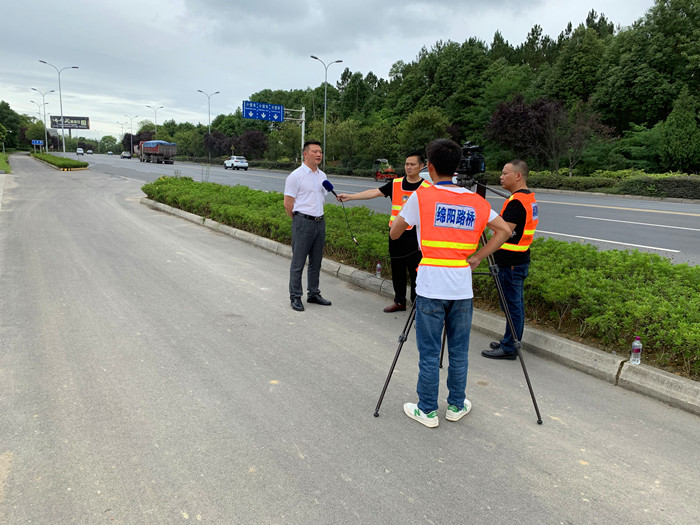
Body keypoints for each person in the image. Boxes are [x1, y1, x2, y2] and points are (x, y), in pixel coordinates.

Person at [390, 139, 511, 428]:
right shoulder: (477, 201)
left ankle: (427, 410)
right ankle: (456, 405)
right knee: (458, 351)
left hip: (430, 286)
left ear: (429, 167)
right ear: (457, 167)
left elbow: (395, 233)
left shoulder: (421, 196)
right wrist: (478, 256)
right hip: (461, 287)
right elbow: (505, 230)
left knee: (430, 353)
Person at [337, 152, 431, 312]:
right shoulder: (396, 183)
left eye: (412, 164)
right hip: (395, 234)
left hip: (415, 237)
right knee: (397, 268)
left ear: (421, 166)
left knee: (416, 271)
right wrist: (350, 197)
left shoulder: (428, 188)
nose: (408, 167)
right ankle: (399, 301)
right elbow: (374, 192)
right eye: (407, 164)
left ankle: (417, 306)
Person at [481, 160, 538, 360]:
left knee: (512, 306)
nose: (501, 177)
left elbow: (504, 231)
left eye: (505, 173)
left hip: (511, 262)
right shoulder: (527, 198)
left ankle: (510, 347)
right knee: (512, 305)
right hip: (517, 259)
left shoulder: (517, 202)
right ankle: (509, 340)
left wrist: (483, 218)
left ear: (518, 176)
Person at [284, 141, 333, 312]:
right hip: (303, 222)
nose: (319, 154)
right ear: (305, 154)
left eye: (320, 151)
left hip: (320, 222)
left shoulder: (322, 175)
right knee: (298, 262)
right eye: (315, 151)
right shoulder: (295, 176)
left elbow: (321, 197)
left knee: (316, 262)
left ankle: (313, 293)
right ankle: (295, 296)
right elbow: (288, 204)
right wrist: (299, 219)